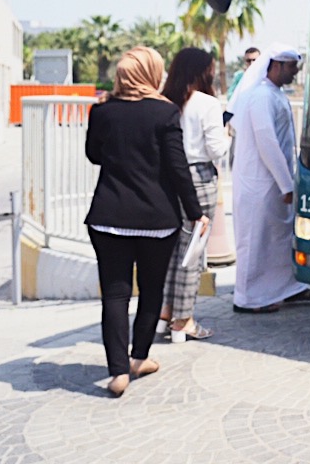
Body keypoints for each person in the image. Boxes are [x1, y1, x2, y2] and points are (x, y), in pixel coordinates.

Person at [84, 47, 207, 397]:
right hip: (156, 220)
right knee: (152, 290)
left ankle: (117, 372)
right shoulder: (165, 112)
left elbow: (94, 155)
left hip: (108, 218)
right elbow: (177, 168)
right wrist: (196, 210)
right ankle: (139, 357)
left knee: (115, 294)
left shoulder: (102, 110)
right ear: (152, 73)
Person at [229, 45, 310, 313]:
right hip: (260, 184)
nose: (295, 73)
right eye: (292, 67)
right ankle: (247, 299)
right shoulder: (261, 96)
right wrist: (286, 184)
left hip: (273, 184)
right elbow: (267, 142)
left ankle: (288, 288)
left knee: (279, 239)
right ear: (276, 65)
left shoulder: (274, 95)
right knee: (255, 241)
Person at [159, 47, 229, 343]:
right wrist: (228, 133)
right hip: (198, 178)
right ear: (203, 71)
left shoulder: (164, 100)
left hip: (166, 179)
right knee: (192, 252)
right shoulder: (207, 104)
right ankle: (183, 320)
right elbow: (216, 150)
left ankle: (164, 312)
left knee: (170, 250)